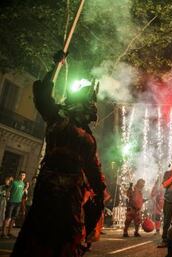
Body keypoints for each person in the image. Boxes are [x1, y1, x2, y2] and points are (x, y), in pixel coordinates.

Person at [11, 51, 106, 257]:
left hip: (70, 195)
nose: (90, 110)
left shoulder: (87, 137)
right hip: (51, 191)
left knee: (63, 238)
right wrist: (56, 66)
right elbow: (43, 95)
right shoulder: (58, 119)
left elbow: (93, 171)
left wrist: (99, 196)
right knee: (43, 236)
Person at [1, 171, 26, 238]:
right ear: (19, 176)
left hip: (18, 203)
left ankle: (9, 232)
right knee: (8, 217)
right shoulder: (14, 182)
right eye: (21, 175)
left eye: (23, 175)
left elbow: (21, 192)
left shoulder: (23, 183)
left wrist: (26, 189)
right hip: (11, 202)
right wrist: (7, 198)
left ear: (25, 176)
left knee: (13, 218)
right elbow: (8, 190)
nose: (22, 176)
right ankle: (3, 233)